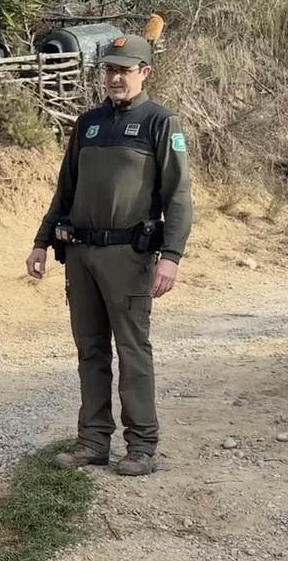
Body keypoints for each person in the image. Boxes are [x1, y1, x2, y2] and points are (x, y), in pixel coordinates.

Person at [27, 34, 193, 476]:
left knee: (133, 350)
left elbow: (178, 197)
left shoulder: (161, 122)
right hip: (80, 254)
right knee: (90, 350)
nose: (116, 77)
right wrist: (42, 242)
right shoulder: (88, 123)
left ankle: (141, 446)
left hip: (128, 255)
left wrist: (171, 255)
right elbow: (65, 190)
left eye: (125, 69)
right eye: (110, 69)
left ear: (145, 72)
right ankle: (92, 442)